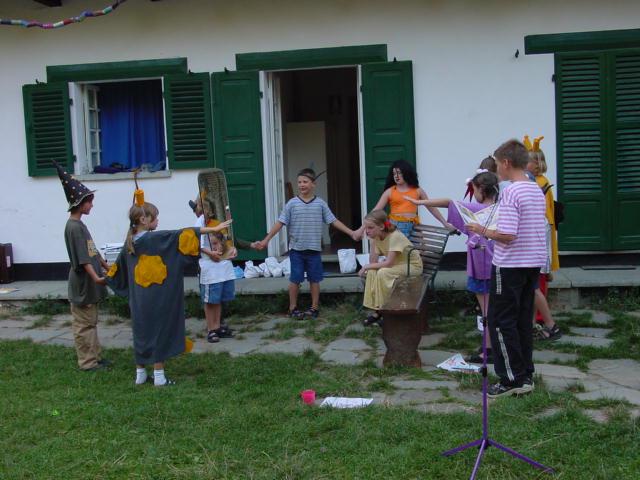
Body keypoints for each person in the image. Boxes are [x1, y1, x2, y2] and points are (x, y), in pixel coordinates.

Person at [107, 185, 231, 386]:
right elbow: (184, 235)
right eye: (155, 217)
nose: (158, 221)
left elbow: (115, 271)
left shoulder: (129, 243)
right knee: (159, 331)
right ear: (143, 220)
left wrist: (101, 277)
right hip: (158, 299)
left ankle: (140, 374)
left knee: (141, 332)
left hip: (138, 301)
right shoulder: (154, 239)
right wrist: (214, 229)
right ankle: (159, 376)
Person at [466, 139, 546, 398]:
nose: (497, 169)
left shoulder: (511, 191)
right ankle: (525, 373)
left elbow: (508, 235)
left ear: (507, 163)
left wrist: (480, 229)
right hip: (532, 262)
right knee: (522, 319)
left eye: (498, 164)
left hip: (510, 264)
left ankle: (511, 379)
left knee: (501, 321)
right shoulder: (535, 188)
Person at [406, 170, 499, 362]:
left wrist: (420, 202)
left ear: (481, 189)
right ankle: (492, 345)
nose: (473, 194)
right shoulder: (501, 208)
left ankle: (489, 350)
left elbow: (449, 202)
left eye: (474, 190)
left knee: (487, 311)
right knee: (494, 309)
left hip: (482, 267)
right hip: (498, 266)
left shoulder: (475, 209)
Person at [253, 168, 357, 319]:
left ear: (313, 184)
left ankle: (314, 308)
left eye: (305, 182)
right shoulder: (291, 204)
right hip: (296, 250)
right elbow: (280, 223)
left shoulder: (320, 204)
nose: (302, 185)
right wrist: (266, 240)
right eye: (299, 182)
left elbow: (333, 221)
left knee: (315, 280)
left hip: (314, 251)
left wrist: (351, 232)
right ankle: (292, 308)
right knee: (295, 279)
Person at [54, 161, 110, 372]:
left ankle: (95, 357)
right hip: (83, 283)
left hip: (90, 281)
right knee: (84, 324)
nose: (92, 206)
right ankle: (87, 362)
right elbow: (83, 258)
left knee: (91, 321)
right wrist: (96, 277)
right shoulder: (73, 227)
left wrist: (105, 265)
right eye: (89, 202)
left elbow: (91, 249)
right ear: (79, 203)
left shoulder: (80, 225)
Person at [355, 160, 453, 239]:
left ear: (406, 173)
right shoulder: (390, 191)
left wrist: (444, 223)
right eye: (394, 174)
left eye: (399, 173)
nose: (396, 176)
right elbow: (376, 210)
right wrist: (361, 229)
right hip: (395, 227)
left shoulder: (418, 190)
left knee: (417, 253)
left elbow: (432, 208)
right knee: (399, 253)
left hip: (414, 226)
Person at [524, 135, 562, 341]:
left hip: (539, 233)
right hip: (536, 232)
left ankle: (546, 322)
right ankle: (532, 324)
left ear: (537, 163)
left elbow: (541, 214)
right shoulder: (532, 181)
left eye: (527, 161)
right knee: (532, 285)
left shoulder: (539, 183)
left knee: (536, 283)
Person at [360, 209, 423, 326]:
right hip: (396, 265)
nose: (367, 231)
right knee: (372, 272)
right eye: (366, 228)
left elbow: (388, 263)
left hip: (412, 266)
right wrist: (372, 242)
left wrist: (366, 266)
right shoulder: (377, 237)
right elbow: (373, 262)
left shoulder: (395, 236)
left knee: (383, 272)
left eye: (370, 228)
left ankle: (387, 311)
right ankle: (378, 310)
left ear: (381, 227)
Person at [193, 197, 238, 343]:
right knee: (210, 300)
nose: (206, 212)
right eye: (203, 209)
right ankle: (210, 329)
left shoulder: (217, 222)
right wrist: (211, 253)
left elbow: (226, 240)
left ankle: (217, 327)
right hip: (209, 267)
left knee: (218, 299)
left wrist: (231, 250)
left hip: (222, 266)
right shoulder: (199, 223)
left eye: (208, 209)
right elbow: (198, 245)